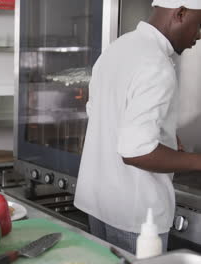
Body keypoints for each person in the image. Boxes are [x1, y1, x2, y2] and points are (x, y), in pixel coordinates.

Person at [74, 0, 201, 254]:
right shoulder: (156, 64)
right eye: (200, 25)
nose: (198, 35)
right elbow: (136, 152)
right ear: (181, 13)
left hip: (99, 204)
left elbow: (100, 112)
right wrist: (197, 161)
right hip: (136, 217)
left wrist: (163, 130)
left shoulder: (117, 49)